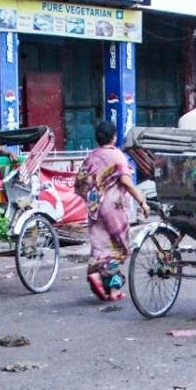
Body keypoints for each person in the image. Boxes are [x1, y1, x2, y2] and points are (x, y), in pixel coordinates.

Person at [76, 121, 149, 302]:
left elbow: (80, 183)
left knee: (100, 247)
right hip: (113, 208)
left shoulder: (91, 156)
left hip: (94, 208)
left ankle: (98, 277)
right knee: (118, 250)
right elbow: (125, 181)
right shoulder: (117, 156)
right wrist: (141, 200)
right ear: (114, 137)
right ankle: (114, 290)